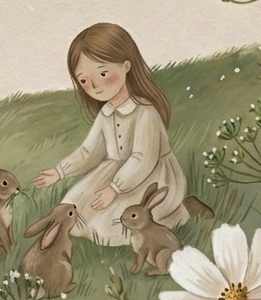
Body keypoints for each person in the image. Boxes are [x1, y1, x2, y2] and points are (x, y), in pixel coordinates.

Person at [30, 22, 191, 248]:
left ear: (126, 65)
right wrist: (60, 172)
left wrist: (114, 189)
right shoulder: (106, 114)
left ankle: (174, 215)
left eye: (103, 73)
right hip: (114, 172)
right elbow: (89, 152)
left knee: (106, 227)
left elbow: (143, 159)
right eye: (84, 80)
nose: (94, 86)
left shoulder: (145, 113)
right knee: (72, 207)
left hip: (149, 177)